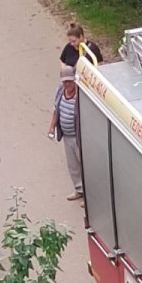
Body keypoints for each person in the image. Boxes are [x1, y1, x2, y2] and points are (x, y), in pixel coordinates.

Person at [48, 66, 83, 201]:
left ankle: (90, 198)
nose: (67, 84)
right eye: (65, 82)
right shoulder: (60, 91)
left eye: (70, 81)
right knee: (73, 165)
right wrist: (52, 127)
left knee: (84, 167)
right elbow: (56, 109)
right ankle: (79, 190)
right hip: (67, 136)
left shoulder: (80, 95)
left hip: (79, 138)